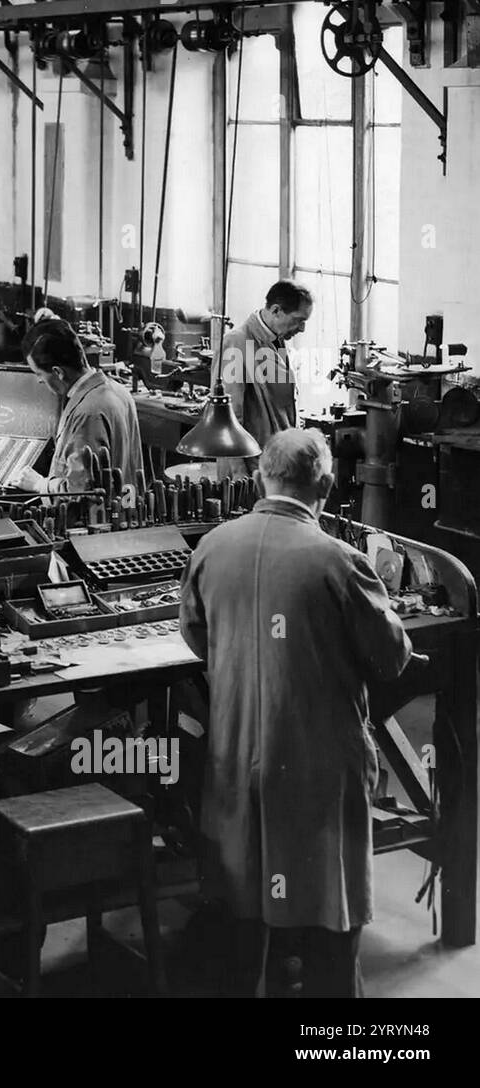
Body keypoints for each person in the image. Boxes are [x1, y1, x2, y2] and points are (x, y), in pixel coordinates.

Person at [179, 429, 416, 998]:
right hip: (317, 768)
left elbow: (196, 639)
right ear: (328, 486)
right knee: (329, 927)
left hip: (237, 759)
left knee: (245, 918)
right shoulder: (341, 560)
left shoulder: (213, 545)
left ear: (262, 476)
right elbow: (392, 658)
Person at [13, 316, 144, 495]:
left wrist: (39, 484)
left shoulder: (88, 413)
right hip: (123, 509)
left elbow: (80, 492)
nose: (40, 381)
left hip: (96, 518)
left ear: (58, 372)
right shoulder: (120, 391)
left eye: (39, 374)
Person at [215, 279, 313, 473]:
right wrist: (238, 472)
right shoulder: (237, 342)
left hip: (276, 463)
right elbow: (227, 415)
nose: (302, 329)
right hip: (249, 469)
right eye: (298, 320)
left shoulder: (277, 341)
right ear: (276, 310)